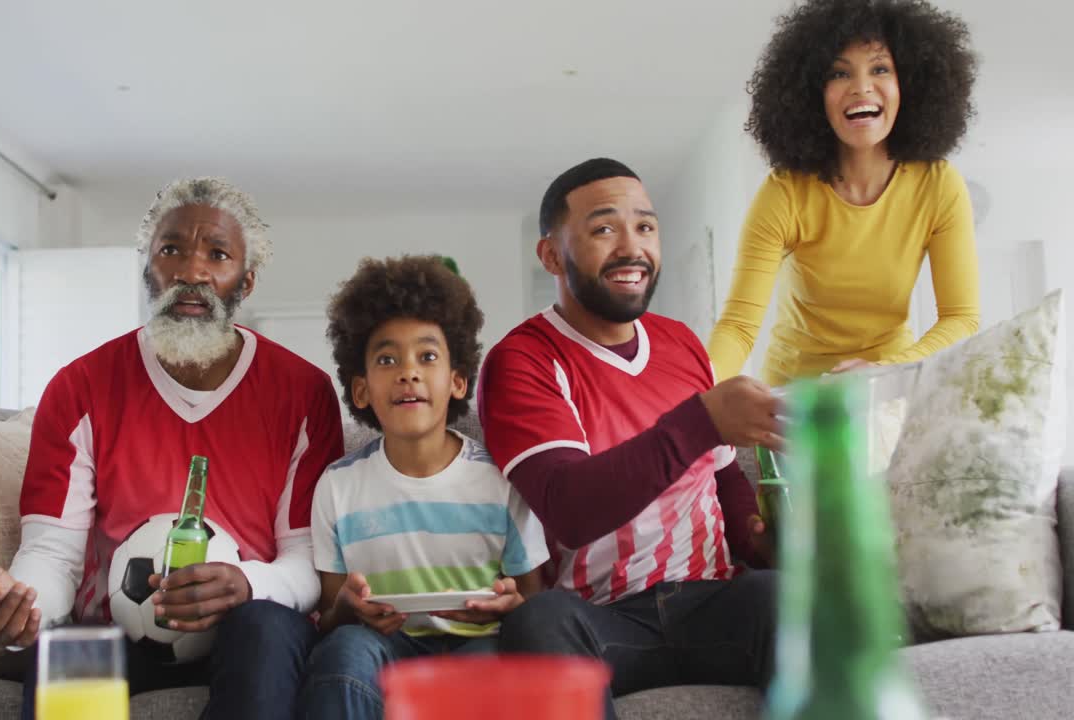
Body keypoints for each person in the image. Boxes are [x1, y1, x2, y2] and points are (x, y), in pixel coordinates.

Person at [0, 177, 344, 720]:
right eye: (171, 250)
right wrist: (28, 608)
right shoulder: (81, 387)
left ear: (247, 281)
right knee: (60, 655)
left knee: (262, 629)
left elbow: (307, 560)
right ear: (148, 268)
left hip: (250, 627)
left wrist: (245, 584)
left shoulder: (303, 391)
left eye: (217, 254)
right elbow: (53, 554)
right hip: (116, 630)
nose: (191, 272)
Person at [478, 158, 780, 720]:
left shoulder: (682, 343)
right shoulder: (521, 360)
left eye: (645, 227)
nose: (631, 247)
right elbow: (568, 507)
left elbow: (720, 474)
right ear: (550, 255)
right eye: (603, 229)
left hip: (714, 600)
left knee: (792, 597)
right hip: (601, 620)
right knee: (539, 623)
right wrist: (701, 420)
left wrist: (760, 541)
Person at [300, 256, 549, 720]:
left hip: (480, 646)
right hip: (383, 649)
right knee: (345, 651)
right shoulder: (336, 486)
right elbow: (331, 616)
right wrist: (350, 610)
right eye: (387, 359)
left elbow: (530, 602)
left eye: (427, 357)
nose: (407, 372)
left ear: (457, 381)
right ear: (361, 391)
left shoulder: (499, 480)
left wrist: (509, 606)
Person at [708, 0, 981, 385]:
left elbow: (961, 317)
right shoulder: (785, 192)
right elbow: (738, 326)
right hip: (795, 396)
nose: (862, 87)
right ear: (812, 94)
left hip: (888, 387)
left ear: (910, 85)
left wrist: (888, 371)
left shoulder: (938, 185)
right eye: (839, 73)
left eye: (880, 68)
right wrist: (698, 397)